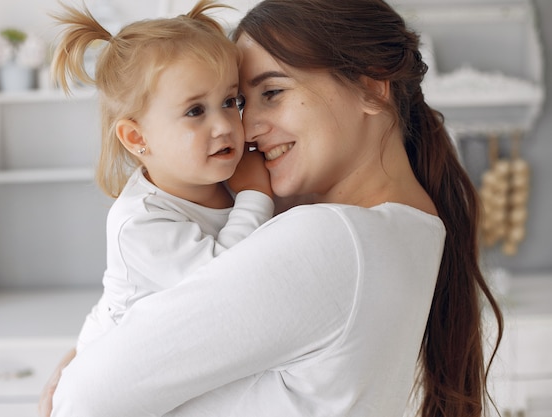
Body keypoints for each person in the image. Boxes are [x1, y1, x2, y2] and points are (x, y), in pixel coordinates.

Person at [43, 1, 504, 416]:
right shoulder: (412, 230)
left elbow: (78, 402)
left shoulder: (328, 239)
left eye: (272, 93)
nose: (243, 126)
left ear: (371, 88)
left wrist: (90, 361)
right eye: (242, 100)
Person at [49, 0, 274, 355]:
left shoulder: (226, 177)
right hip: (109, 368)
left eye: (231, 101)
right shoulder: (140, 222)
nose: (224, 125)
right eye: (195, 110)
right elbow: (224, 286)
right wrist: (255, 196)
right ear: (138, 138)